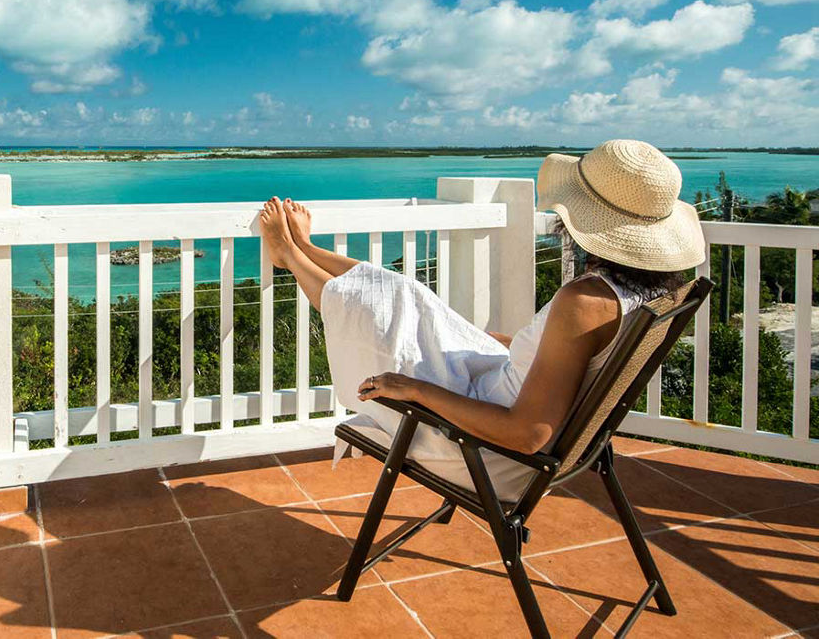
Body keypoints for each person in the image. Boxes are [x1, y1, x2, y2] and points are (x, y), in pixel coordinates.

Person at [257, 139, 706, 499]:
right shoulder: (642, 291)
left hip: (484, 452)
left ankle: (291, 255)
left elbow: (527, 433)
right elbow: (570, 364)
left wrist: (414, 389)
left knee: (371, 313)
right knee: (409, 294)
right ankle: (303, 251)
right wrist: (515, 342)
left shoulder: (586, 299)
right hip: (497, 403)